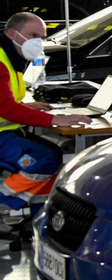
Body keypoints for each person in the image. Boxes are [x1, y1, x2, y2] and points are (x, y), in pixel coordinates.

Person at [0, 13, 90, 232]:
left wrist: (28, 108)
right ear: (13, 34)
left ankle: (41, 217)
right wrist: (55, 119)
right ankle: (3, 200)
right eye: (33, 35)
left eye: (41, 37)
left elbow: (7, 103)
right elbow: (6, 109)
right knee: (46, 158)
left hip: (7, 131)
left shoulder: (11, 57)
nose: (37, 42)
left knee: (53, 152)